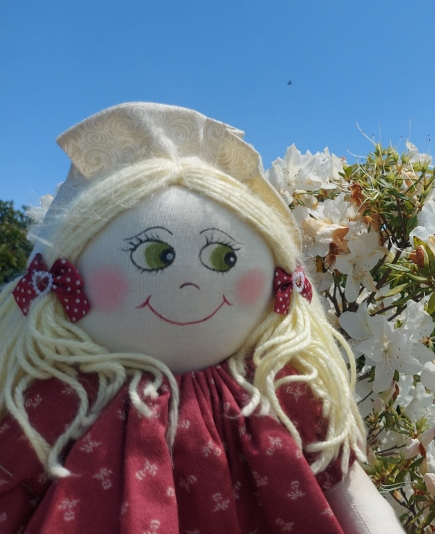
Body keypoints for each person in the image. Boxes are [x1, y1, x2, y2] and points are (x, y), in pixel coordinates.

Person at [0, 102, 403, 533]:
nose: (190, 284)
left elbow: (344, 482)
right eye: (155, 256)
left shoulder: (276, 387)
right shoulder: (64, 398)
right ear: (62, 281)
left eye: (225, 257)